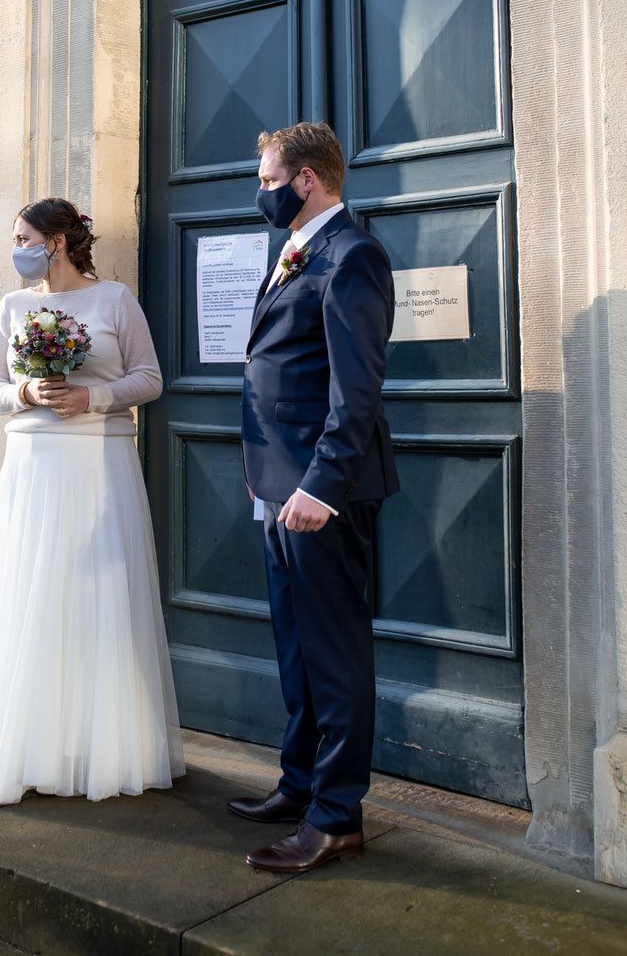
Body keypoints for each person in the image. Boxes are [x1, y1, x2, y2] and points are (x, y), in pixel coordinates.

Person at [0, 197, 185, 805]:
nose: (17, 246)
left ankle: (103, 748)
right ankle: (34, 746)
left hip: (99, 462)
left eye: (24, 235)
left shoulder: (114, 301)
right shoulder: (12, 307)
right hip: (33, 465)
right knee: (35, 594)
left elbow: (151, 378)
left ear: (56, 241)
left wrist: (96, 399)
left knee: (98, 597)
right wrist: (28, 390)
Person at [229, 122, 399, 872]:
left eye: (267, 180)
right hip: (279, 488)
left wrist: (319, 488)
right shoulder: (294, 253)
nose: (259, 193)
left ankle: (337, 817)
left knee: (334, 655)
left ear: (306, 180)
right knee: (296, 651)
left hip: (320, 495)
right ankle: (299, 785)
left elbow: (355, 392)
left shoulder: (352, 255)